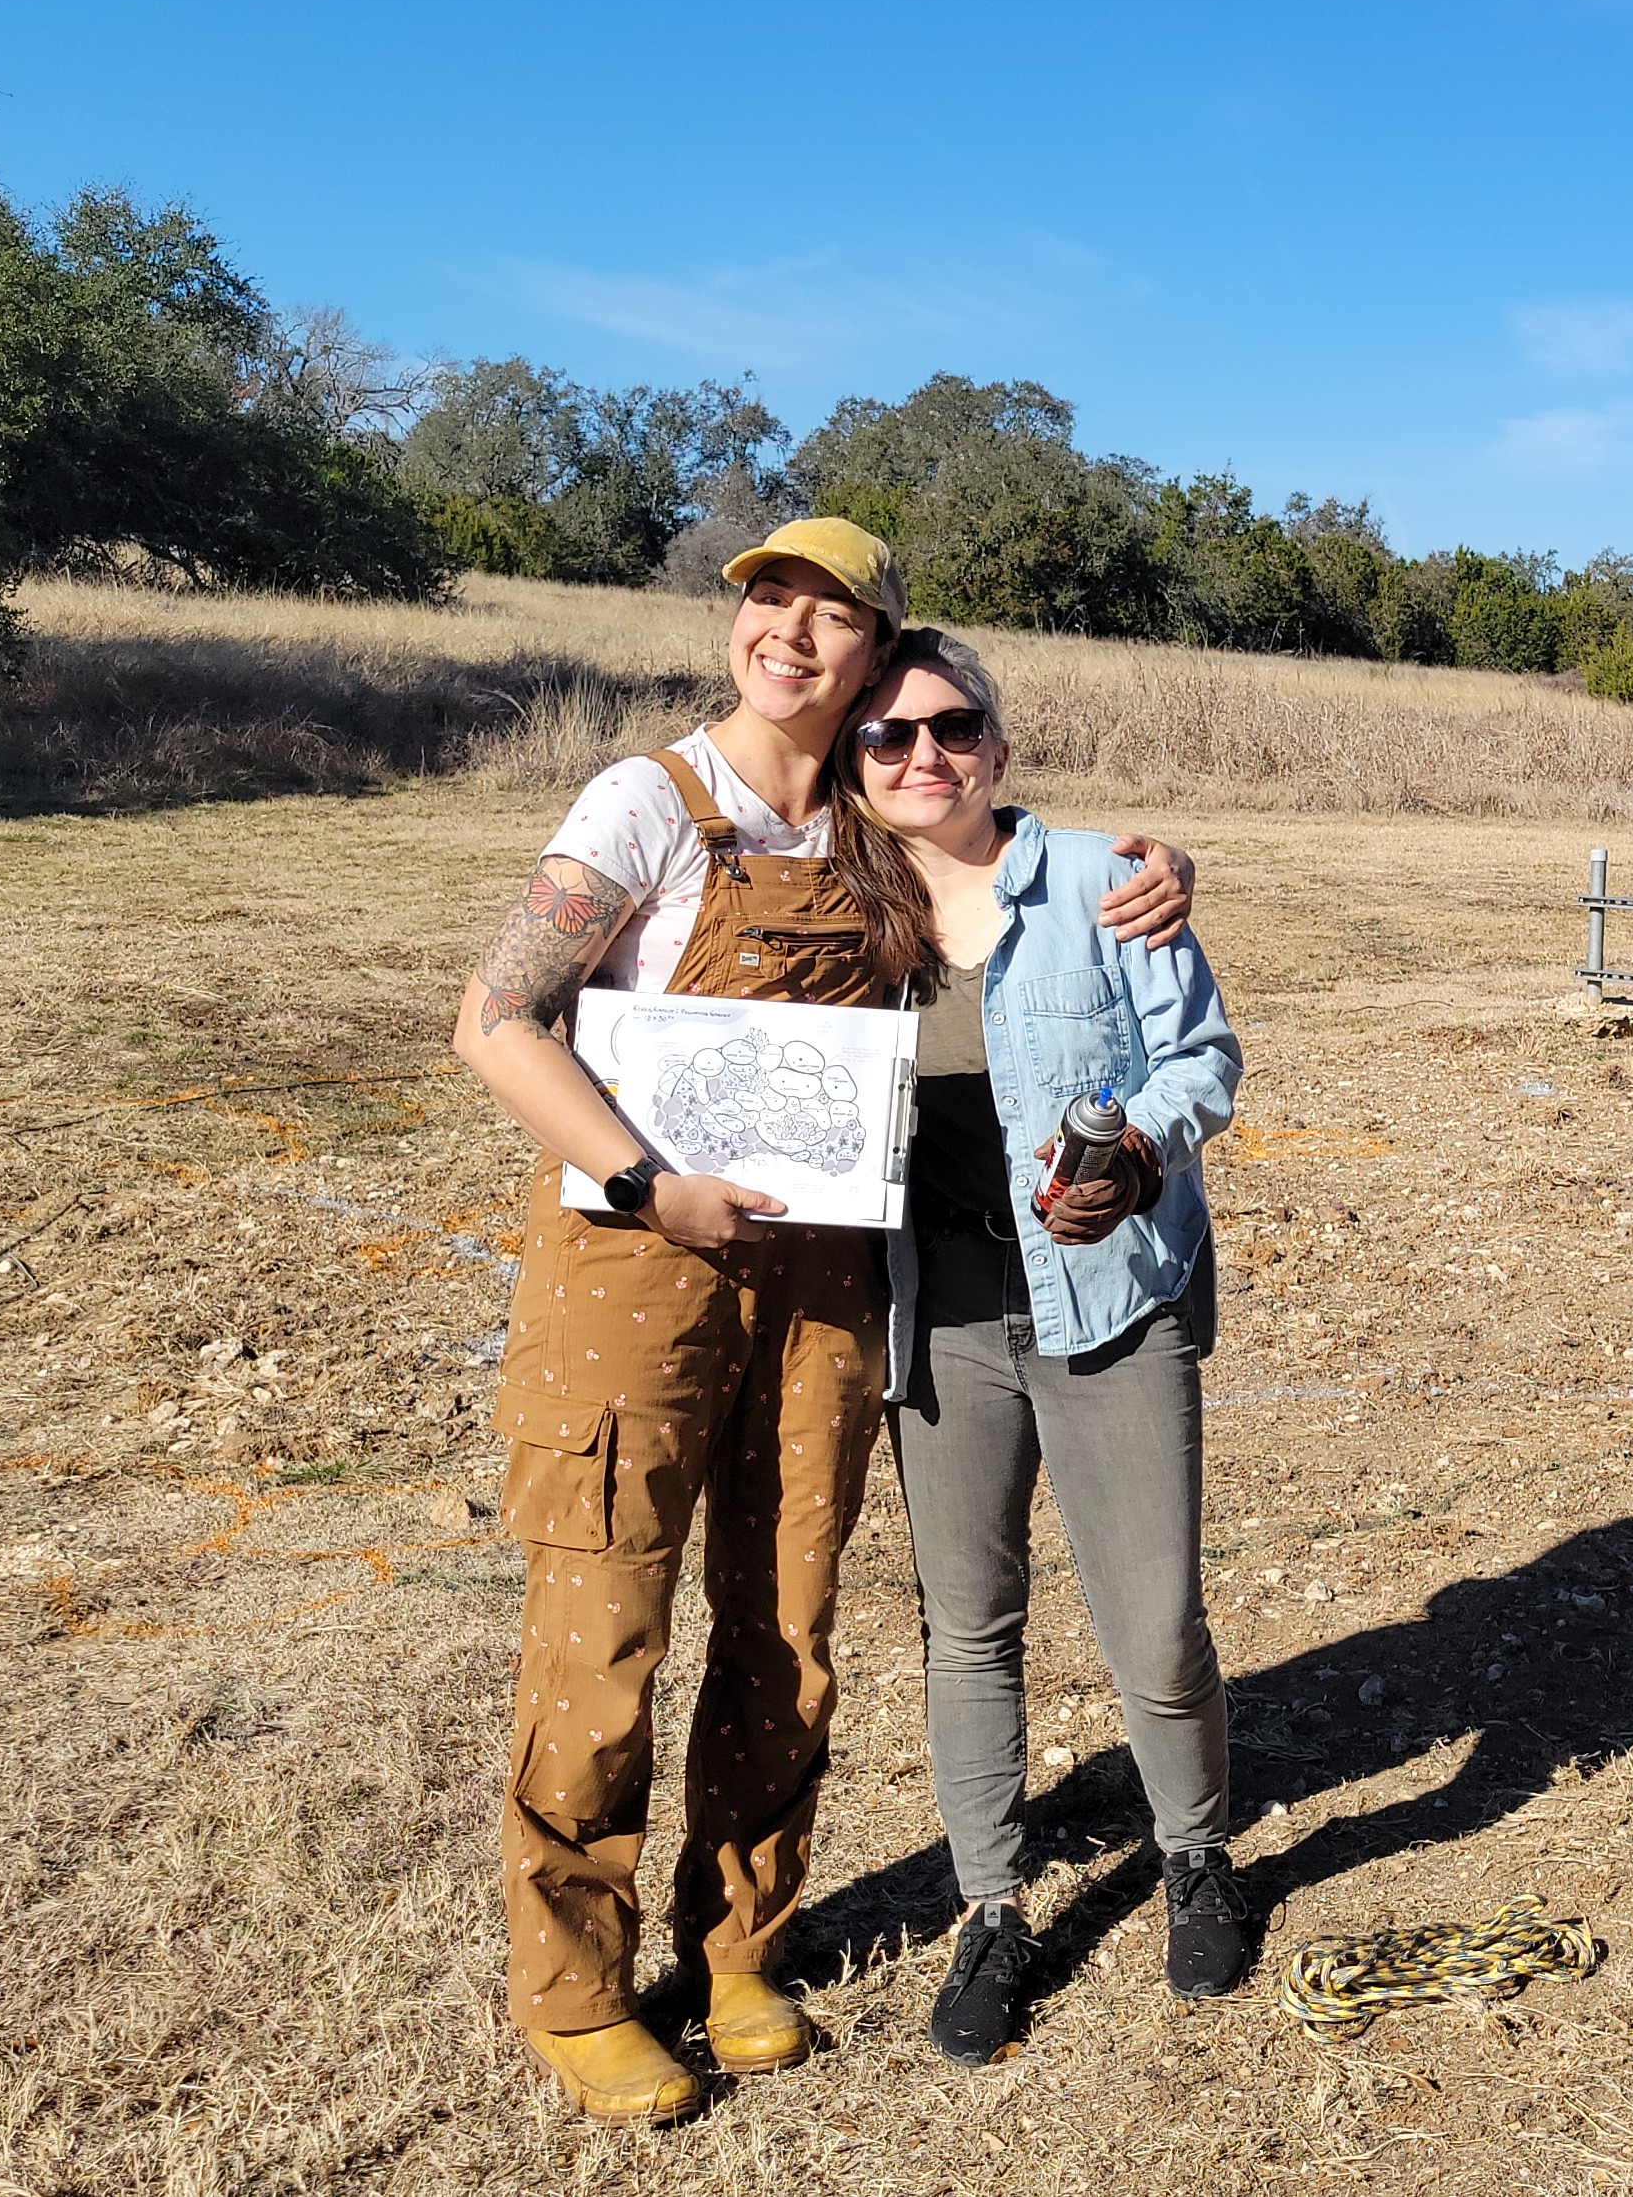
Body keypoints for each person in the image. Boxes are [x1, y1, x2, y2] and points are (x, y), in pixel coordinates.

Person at [449, 518, 1202, 2127]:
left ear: (877, 655)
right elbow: (496, 1020)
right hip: (636, 1268)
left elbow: (1006, 860)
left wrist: (1149, 872)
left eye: (829, 613)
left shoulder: (867, 822)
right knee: (605, 1635)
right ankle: (577, 1991)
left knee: (786, 1630)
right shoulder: (646, 804)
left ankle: (741, 1949)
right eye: (766, 601)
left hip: (826, 1288)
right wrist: (648, 1184)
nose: (787, 633)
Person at [824, 627, 1250, 2066]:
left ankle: (1197, 1857)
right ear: (854, 762)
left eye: (954, 727)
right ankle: (993, 1908)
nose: (924, 756)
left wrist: (1141, 1150)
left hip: (1110, 1294)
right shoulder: (832, 908)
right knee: (968, 1623)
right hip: (936, 1307)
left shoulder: (1102, 883)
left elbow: (1203, 1059)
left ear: (999, 747)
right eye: (889, 735)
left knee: (1156, 1620)